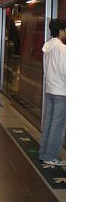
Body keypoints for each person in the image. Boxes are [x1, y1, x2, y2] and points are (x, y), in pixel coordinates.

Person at [38, 19, 66, 166]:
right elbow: (66, 71)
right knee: (58, 125)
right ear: (61, 31)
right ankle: (51, 155)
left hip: (49, 89)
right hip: (62, 91)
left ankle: (44, 152)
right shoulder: (62, 49)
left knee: (49, 122)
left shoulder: (47, 46)